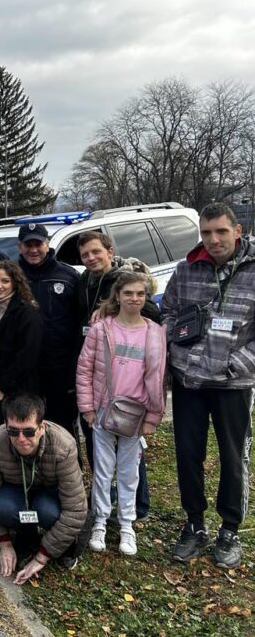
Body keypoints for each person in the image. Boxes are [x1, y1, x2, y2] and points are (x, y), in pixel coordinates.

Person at [161, 202, 255, 569]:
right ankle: (194, 524)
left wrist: (231, 364)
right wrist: (178, 346)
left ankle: (229, 529)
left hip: (233, 383)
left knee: (233, 456)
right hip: (190, 381)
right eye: (206, 233)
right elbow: (168, 312)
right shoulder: (186, 269)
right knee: (188, 453)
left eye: (220, 231)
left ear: (237, 231)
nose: (213, 239)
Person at [76, 272, 166, 556]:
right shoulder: (101, 330)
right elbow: (85, 370)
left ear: (146, 297)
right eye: (128, 293)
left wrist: (152, 417)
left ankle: (127, 523)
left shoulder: (155, 332)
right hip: (105, 409)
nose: (134, 299)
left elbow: (159, 377)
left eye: (140, 294)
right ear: (117, 295)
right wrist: (87, 408)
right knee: (102, 470)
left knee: (129, 472)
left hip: (136, 414)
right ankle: (100, 520)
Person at [76, 230, 159, 516]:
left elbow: (151, 311)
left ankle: (138, 504)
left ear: (110, 251)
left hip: (125, 377)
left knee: (129, 444)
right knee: (98, 444)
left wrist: (110, 308)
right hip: (98, 375)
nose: (91, 258)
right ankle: (105, 500)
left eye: (96, 252)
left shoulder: (125, 277)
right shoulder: (86, 280)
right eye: (85, 254)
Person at [0, 393, 86, 585]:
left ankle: (57, 543)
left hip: (49, 492)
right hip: (16, 490)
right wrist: (4, 544)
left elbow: (76, 510)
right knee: (2, 506)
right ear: (5, 426)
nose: (21, 439)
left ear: (42, 427)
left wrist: (42, 557)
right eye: (13, 431)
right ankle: (25, 536)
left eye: (28, 432)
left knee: (48, 512)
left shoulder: (64, 446)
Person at [0, 260, 44, 468]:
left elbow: (27, 356)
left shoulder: (27, 312)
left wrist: (3, 387)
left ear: (15, 282)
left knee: (11, 440)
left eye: (5, 281)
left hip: (19, 391)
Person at [16, 222, 81, 434]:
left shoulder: (68, 276)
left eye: (38, 244)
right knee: (27, 425)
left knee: (62, 424)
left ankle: (67, 457)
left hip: (60, 366)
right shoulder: (11, 277)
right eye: (28, 245)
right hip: (26, 368)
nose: (34, 250)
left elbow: (81, 319)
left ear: (47, 244)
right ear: (19, 247)